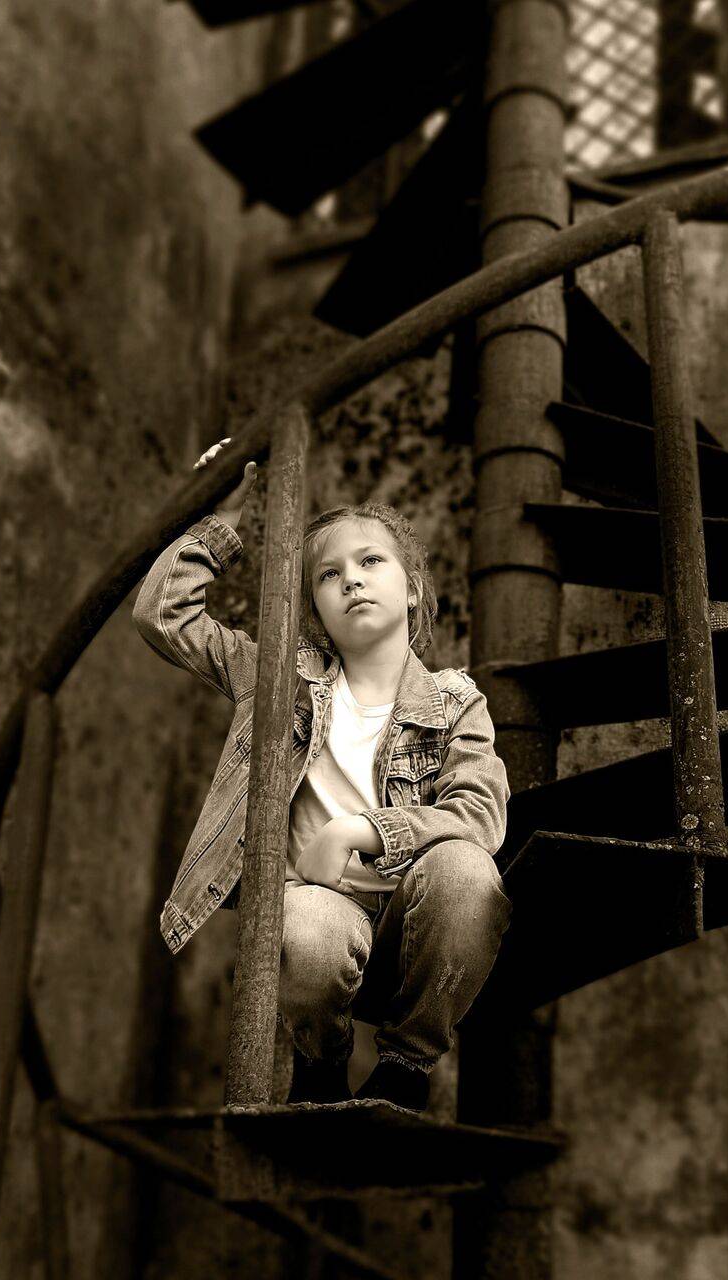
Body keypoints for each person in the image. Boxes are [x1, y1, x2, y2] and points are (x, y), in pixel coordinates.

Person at [132, 439, 513, 1113]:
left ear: (412, 588)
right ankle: (321, 1059)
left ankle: (407, 1064)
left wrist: (361, 830)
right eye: (329, 575)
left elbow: (478, 818)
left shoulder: (456, 702)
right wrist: (219, 517)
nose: (352, 580)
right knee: (307, 923)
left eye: (371, 561)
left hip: (414, 924)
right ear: (315, 608)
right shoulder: (278, 678)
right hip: (318, 916)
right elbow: (163, 615)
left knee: (469, 871)